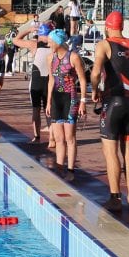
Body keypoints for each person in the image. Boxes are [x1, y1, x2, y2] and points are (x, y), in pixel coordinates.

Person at [91, 11, 129, 212]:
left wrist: (95, 90)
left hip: (113, 102)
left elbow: (96, 72)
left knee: (110, 152)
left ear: (107, 27)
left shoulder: (104, 44)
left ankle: (115, 198)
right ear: (122, 26)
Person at [45, 28, 88, 179]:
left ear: (58, 42)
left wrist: (83, 101)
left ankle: (70, 170)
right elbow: (51, 80)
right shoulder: (50, 57)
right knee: (58, 138)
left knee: (70, 137)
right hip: (57, 99)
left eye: (50, 41)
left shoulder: (73, 57)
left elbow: (82, 80)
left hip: (70, 99)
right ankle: (59, 169)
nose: (48, 44)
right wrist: (48, 101)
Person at [13, 23, 54, 143]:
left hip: (36, 82)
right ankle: (52, 138)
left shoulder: (33, 44)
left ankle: (37, 137)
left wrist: (28, 30)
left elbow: (15, 40)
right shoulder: (55, 45)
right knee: (49, 110)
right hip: (50, 82)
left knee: (36, 110)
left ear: (39, 34)